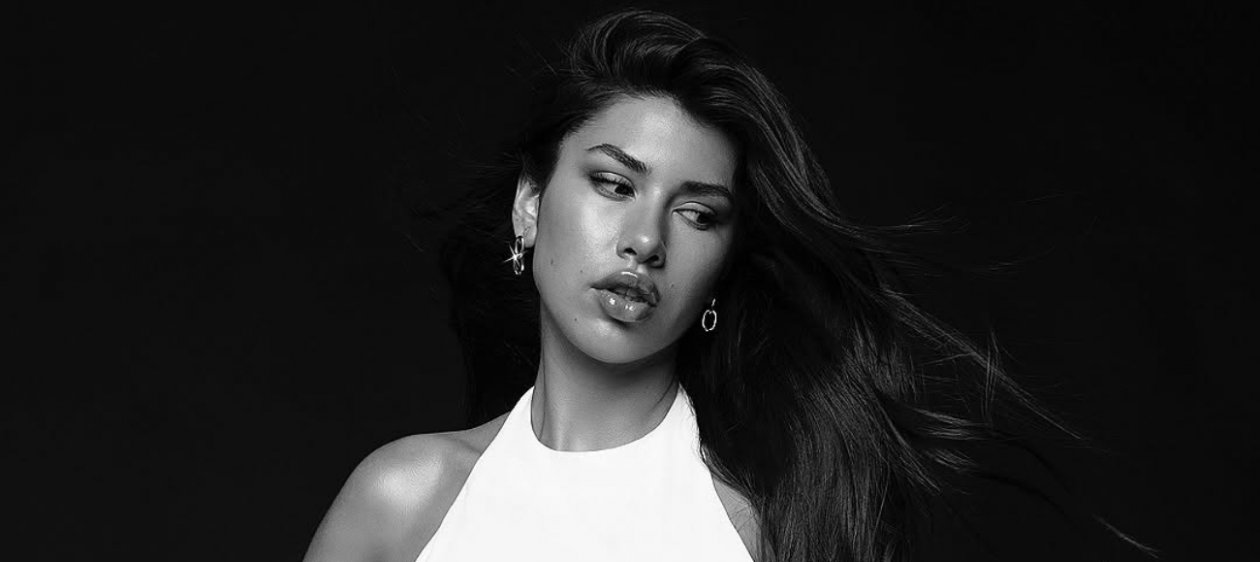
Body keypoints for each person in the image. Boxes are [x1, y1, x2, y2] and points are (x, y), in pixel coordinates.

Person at [303, 9, 1135, 562]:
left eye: (697, 214)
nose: (645, 241)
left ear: (723, 266)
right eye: (614, 184)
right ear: (530, 203)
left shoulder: (752, 536)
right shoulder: (406, 499)